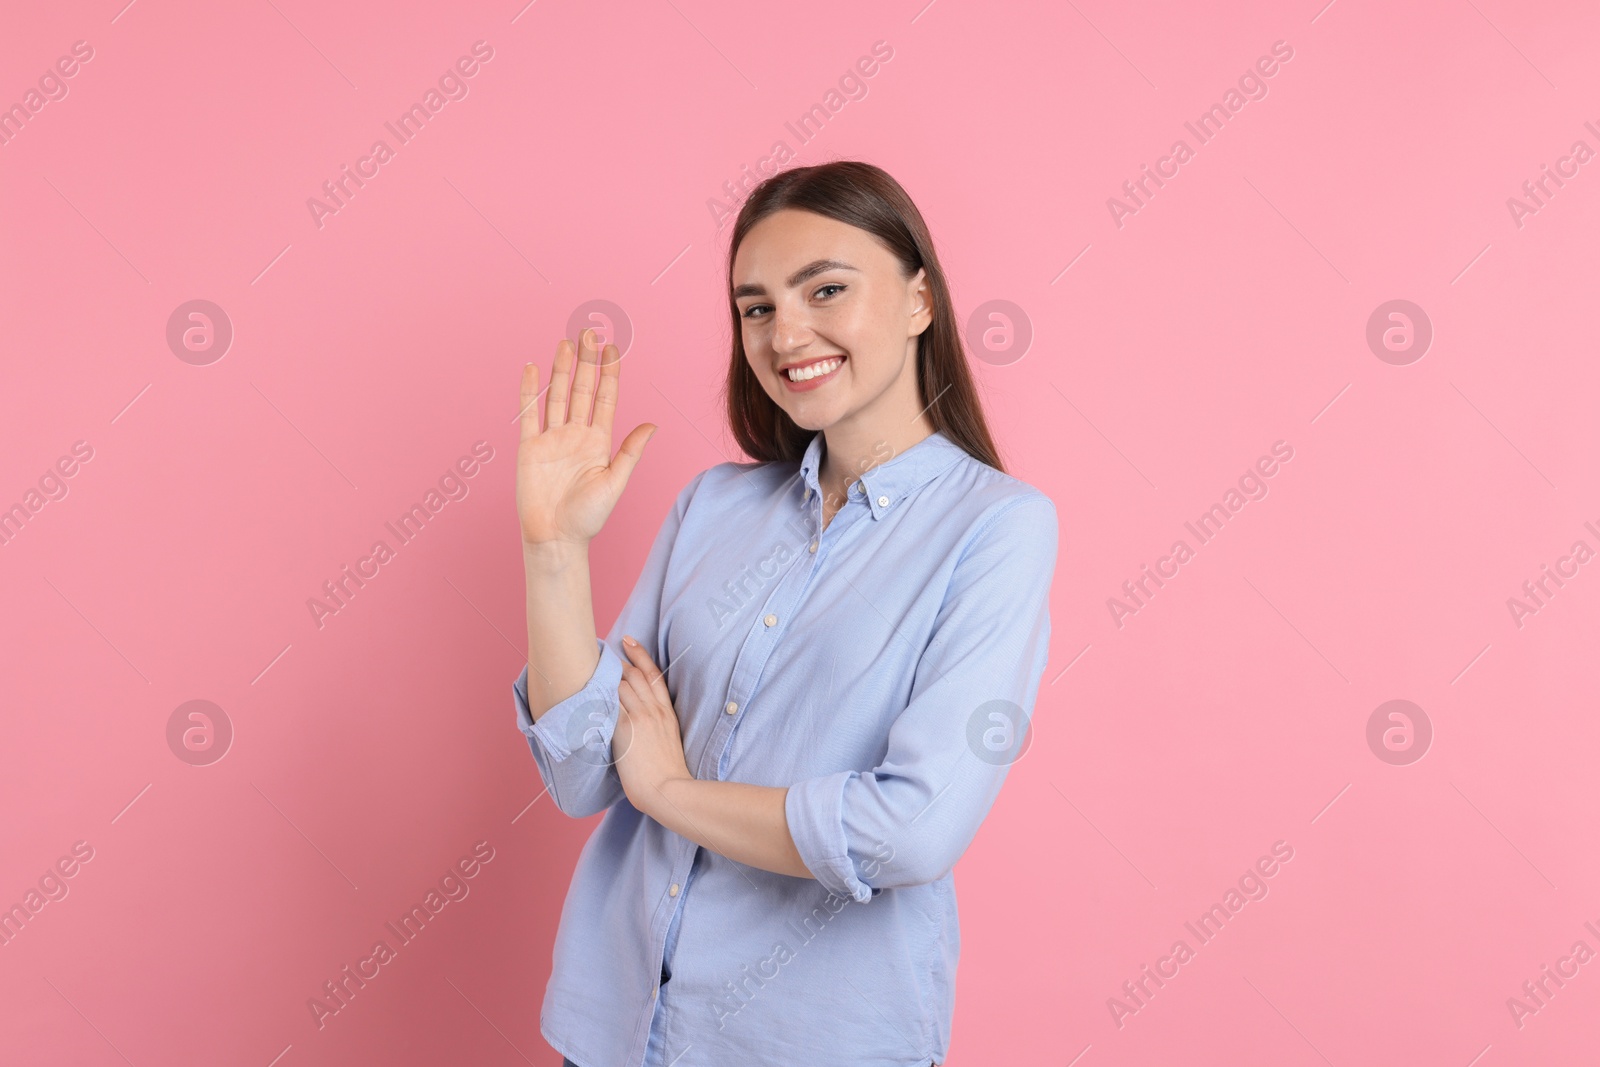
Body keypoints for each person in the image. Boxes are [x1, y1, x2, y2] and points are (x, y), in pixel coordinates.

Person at [514, 160, 1057, 1067]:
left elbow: (911, 830)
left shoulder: (997, 527)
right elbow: (581, 776)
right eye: (756, 307)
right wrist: (553, 553)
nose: (784, 333)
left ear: (920, 298)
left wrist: (671, 795)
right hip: (611, 1029)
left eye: (827, 289)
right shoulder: (712, 508)